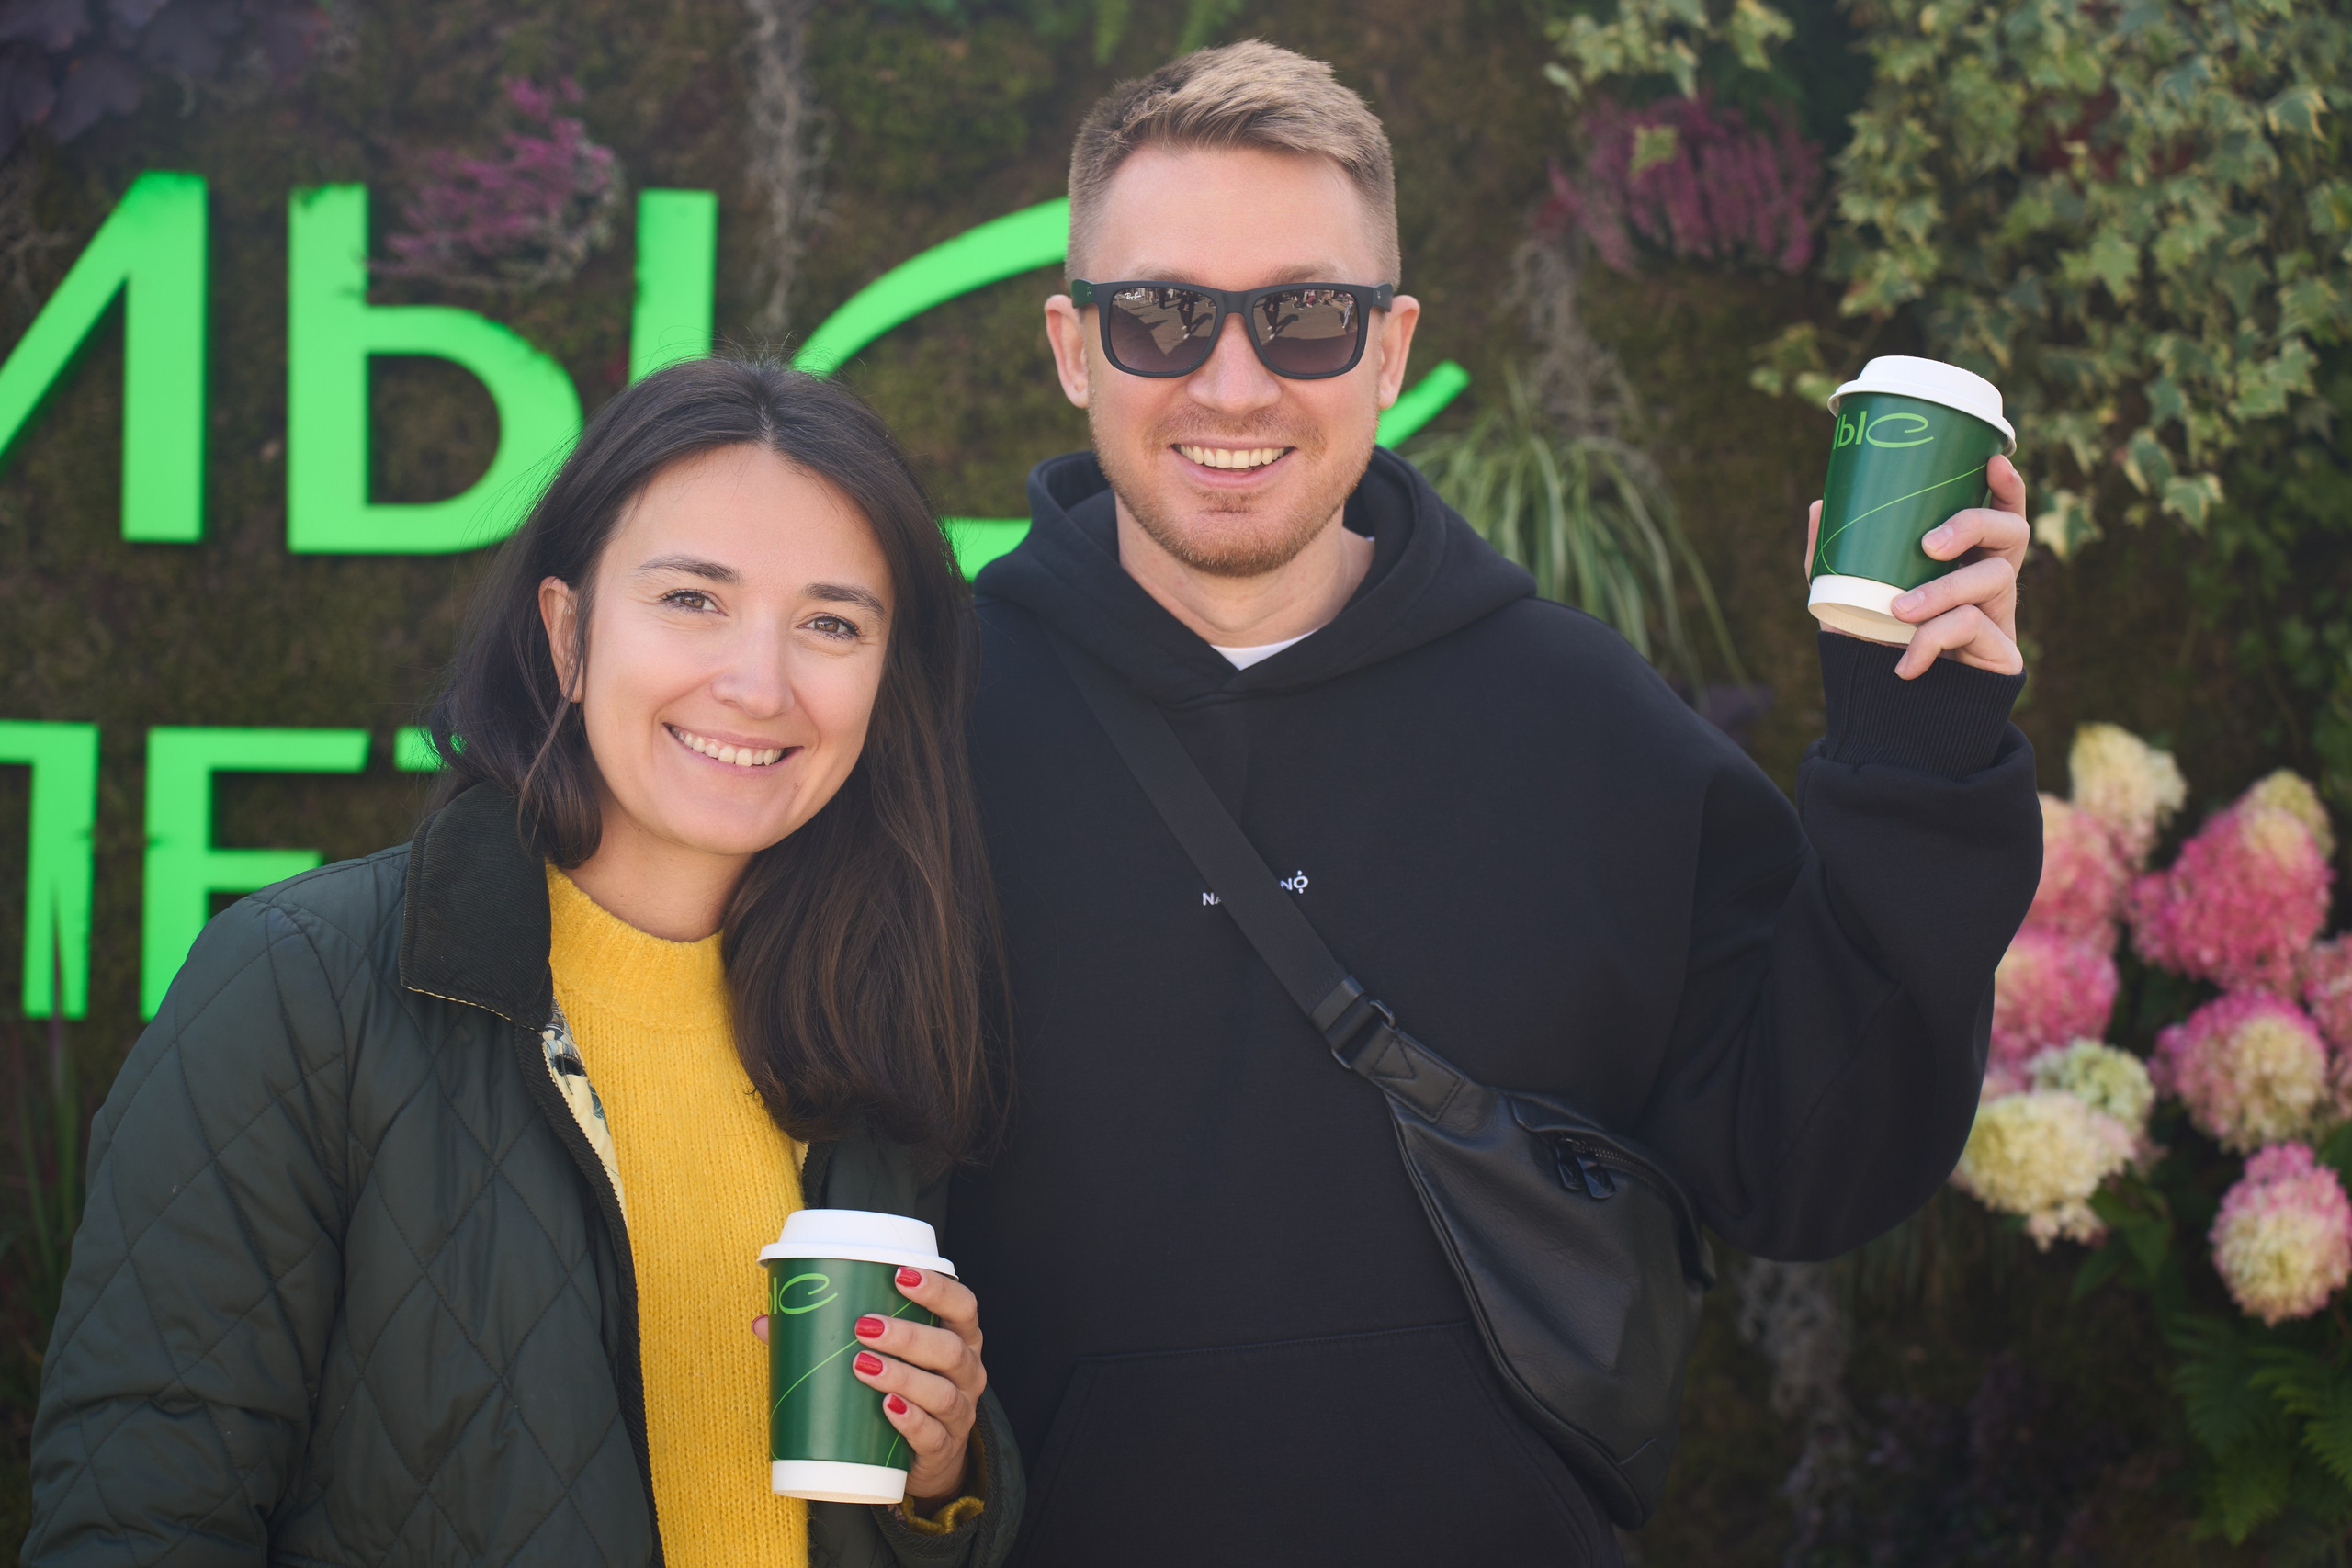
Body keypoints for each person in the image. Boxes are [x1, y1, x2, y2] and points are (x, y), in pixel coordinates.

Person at [946, 40, 2040, 1566]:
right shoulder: (929, 720)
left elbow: (1810, 1159)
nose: (1234, 380)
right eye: (1162, 316)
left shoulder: (1576, 716)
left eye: (1306, 318)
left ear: (1390, 352)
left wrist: (1916, 750)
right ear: (1074, 347)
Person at [25, 359, 1023, 1568]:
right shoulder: (301, 988)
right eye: (693, 600)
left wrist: (941, 1475)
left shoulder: (873, 1012)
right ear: (566, 630)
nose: (760, 685)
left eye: (830, 623)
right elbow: (138, 1518)